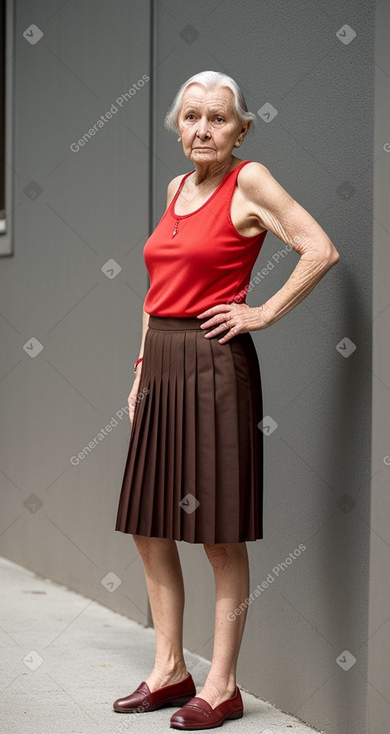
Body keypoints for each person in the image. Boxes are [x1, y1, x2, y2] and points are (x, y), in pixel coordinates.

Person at [113, 70, 340, 730]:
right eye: (191, 117)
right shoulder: (175, 187)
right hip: (160, 364)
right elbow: (155, 294)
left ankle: (222, 685)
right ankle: (168, 671)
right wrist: (137, 370)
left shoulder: (250, 180)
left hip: (215, 367)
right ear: (176, 126)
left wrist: (262, 312)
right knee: (148, 525)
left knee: (217, 536)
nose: (202, 129)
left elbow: (318, 249)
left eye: (217, 118)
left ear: (241, 127)